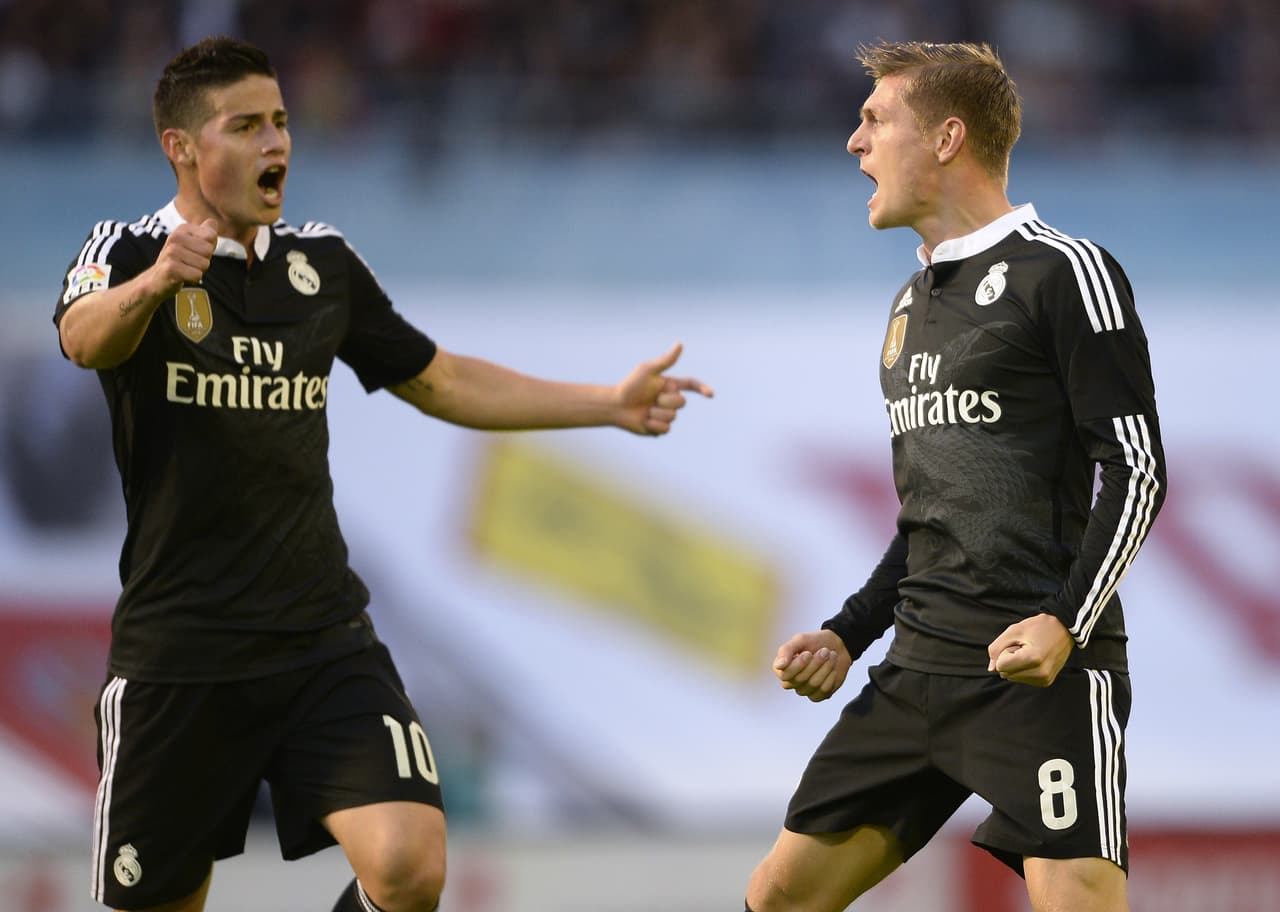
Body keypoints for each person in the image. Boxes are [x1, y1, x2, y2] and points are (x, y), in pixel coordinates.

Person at [55, 35, 712, 912]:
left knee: (409, 863)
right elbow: (81, 338)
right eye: (245, 126)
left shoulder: (320, 265)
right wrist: (155, 286)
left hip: (321, 641)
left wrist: (606, 402)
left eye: (281, 122)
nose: (275, 144)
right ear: (182, 147)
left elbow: (438, 377)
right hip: (181, 656)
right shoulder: (127, 249)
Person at [744, 41, 1165, 912]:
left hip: (1037, 672)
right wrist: (848, 634)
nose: (854, 144)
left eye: (874, 120)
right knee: (779, 895)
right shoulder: (908, 306)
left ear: (945, 138)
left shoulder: (1066, 272)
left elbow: (1137, 466)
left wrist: (1067, 623)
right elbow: (929, 516)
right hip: (917, 666)